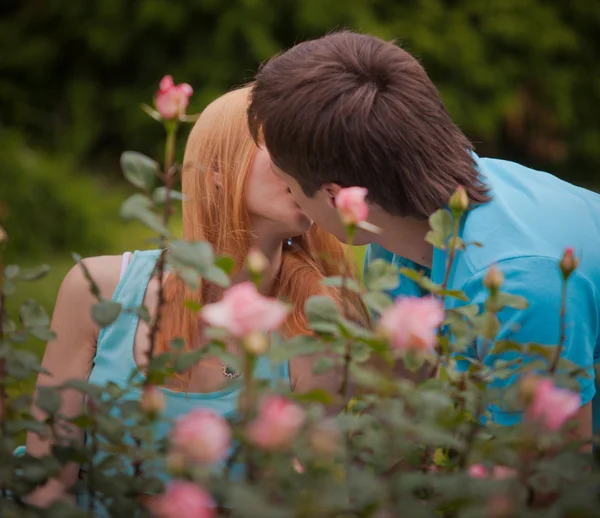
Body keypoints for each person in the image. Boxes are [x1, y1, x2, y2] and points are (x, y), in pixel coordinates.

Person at [25, 85, 370, 507]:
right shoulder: (97, 288)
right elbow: (47, 480)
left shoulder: (320, 322)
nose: (309, 167)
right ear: (219, 169)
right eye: (285, 145)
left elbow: (294, 503)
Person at [247, 30, 600, 438]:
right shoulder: (401, 227)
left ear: (339, 198)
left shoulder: (521, 285)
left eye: (287, 184)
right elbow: (403, 410)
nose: (290, 199)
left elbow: (546, 481)